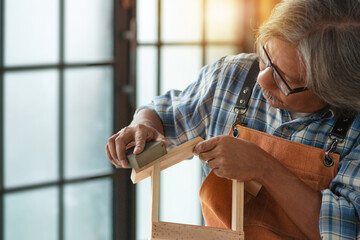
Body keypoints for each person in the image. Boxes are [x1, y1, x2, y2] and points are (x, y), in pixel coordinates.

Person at [105, 0, 360, 239]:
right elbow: (163, 114)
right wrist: (144, 126)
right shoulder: (233, 76)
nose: (262, 81)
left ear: (333, 89)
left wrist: (264, 167)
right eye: (265, 57)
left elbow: (345, 229)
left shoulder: (354, 126)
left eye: (284, 80)